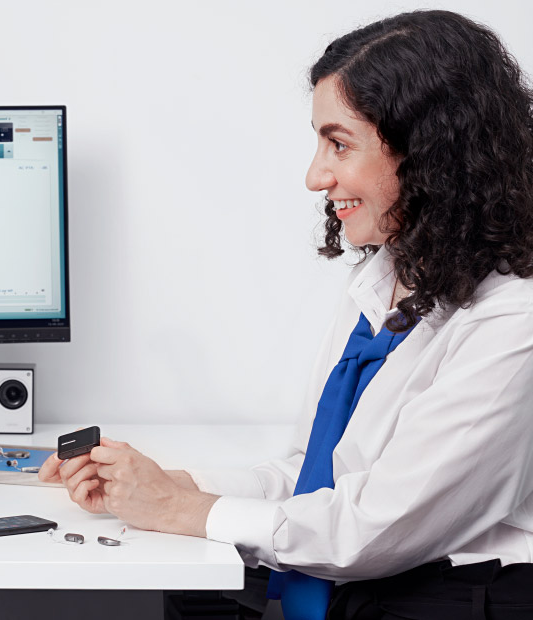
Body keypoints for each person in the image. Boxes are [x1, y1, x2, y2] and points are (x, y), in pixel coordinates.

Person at [40, 10, 533, 619]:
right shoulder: (383, 283)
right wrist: (162, 487)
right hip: (370, 579)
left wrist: (178, 510)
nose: (314, 176)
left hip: (449, 595)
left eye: (339, 143)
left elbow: (369, 530)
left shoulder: (514, 322)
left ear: (432, 154)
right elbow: (314, 477)